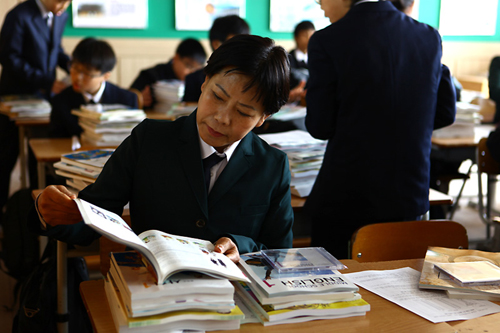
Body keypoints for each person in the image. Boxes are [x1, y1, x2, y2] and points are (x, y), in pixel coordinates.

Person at [29, 34, 294, 262]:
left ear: (263, 118)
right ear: (204, 82)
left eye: (243, 112)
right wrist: (49, 212)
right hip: (154, 290)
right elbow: (93, 215)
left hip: (233, 301)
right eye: (217, 96)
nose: (222, 117)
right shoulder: (149, 140)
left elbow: (279, 253)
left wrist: (243, 246)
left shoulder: (272, 165)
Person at [305, 0, 456, 259]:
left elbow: (320, 126)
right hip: (410, 192)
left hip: (345, 195)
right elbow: (445, 112)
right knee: (401, 281)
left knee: (337, 285)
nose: (319, 4)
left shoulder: (327, 40)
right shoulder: (428, 36)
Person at [0, 0, 71, 222]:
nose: (64, 6)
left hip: (44, 101)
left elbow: (56, 48)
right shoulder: (19, 15)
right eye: (61, 0)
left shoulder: (60, 15)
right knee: (5, 158)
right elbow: (9, 58)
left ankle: (33, 214)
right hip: (16, 99)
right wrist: (47, 81)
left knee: (37, 156)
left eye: (69, 2)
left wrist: (73, 66)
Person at [49, 37, 138, 138]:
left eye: (87, 73)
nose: (78, 77)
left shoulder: (126, 100)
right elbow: (55, 142)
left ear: (105, 76)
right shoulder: (60, 101)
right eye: (74, 68)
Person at [182, 15, 250, 103]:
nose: (243, 48)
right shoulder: (194, 80)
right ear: (217, 44)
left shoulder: (252, 78)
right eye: (237, 43)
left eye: (246, 43)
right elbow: (188, 113)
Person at [130, 38, 207, 108]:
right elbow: (129, 97)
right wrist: (139, 100)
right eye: (189, 66)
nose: (192, 73)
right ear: (176, 57)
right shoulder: (152, 75)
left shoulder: (202, 80)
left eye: (196, 70)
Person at [288, 20, 315, 103]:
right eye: (305, 35)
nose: (309, 39)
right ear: (296, 38)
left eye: (312, 35)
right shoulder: (287, 59)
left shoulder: (318, 59)